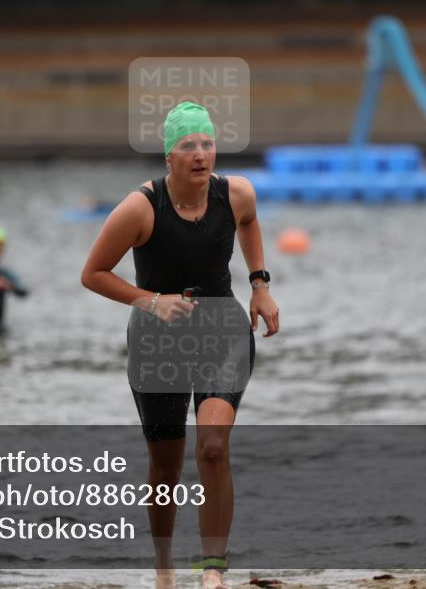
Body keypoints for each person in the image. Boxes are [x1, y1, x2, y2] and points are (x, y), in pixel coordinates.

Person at [81, 101, 280, 589]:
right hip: (156, 344)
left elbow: (250, 222)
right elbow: (92, 274)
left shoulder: (235, 194)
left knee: (212, 449)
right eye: (187, 146)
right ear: (168, 157)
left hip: (222, 334)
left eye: (207, 143)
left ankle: (213, 572)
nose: (200, 154)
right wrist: (150, 302)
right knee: (166, 466)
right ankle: (164, 570)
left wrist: (259, 284)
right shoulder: (140, 209)